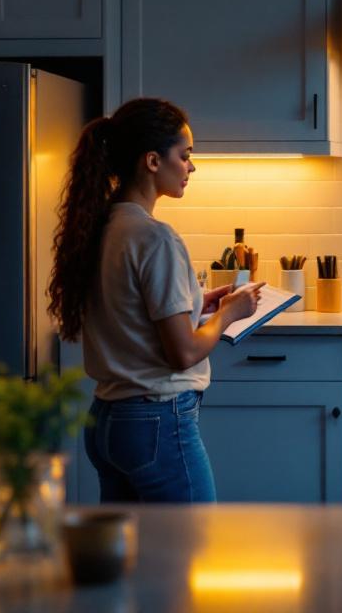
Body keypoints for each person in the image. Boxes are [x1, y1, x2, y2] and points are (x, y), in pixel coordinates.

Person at [47, 97, 263, 503]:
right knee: (188, 548)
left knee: (134, 557)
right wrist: (230, 313)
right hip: (157, 422)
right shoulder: (155, 236)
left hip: (109, 423)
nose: (191, 167)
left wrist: (197, 303)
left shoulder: (103, 228)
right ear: (151, 161)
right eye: (185, 156)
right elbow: (181, 353)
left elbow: (129, 312)